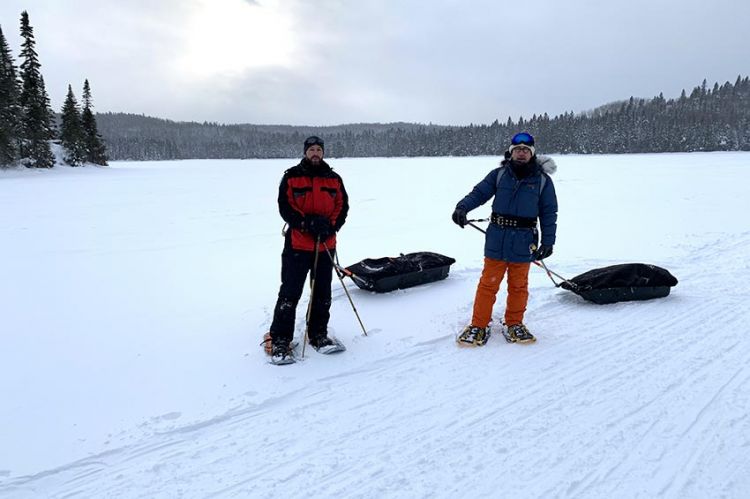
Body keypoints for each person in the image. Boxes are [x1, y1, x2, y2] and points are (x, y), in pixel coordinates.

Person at [452, 131, 557, 345]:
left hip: (524, 241)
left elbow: (549, 213)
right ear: (511, 152)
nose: (521, 153)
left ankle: (514, 324)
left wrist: (548, 242)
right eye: (517, 150)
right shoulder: (498, 175)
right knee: (488, 284)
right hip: (496, 239)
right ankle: (478, 325)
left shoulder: (543, 181)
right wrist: (462, 207)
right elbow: (479, 193)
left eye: (526, 150)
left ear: (532, 154)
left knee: (519, 286)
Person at [264, 136, 349, 364]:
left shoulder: (334, 179)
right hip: (298, 245)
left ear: (322, 153)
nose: (315, 153)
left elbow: (342, 206)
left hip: (325, 245)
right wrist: (306, 223)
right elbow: (285, 206)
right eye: (311, 149)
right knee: (290, 293)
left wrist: (331, 226)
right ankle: (281, 339)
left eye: (318, 150)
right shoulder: (291, 176)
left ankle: (318, 335)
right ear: (305, 152)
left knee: (322, 294)